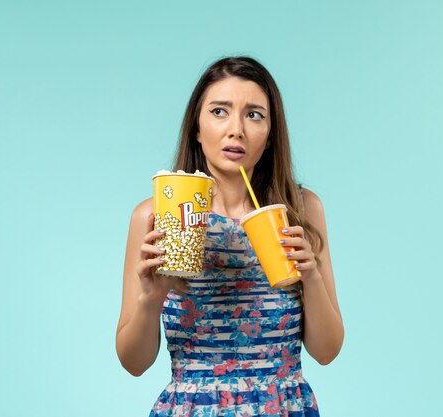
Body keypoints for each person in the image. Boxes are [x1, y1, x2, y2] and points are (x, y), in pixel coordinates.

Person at [116, 56, 344, 416]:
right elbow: (134, 363)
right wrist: (150, 299)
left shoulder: (300, 209)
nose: (236, 129)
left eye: (254, 114)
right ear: (196, 126)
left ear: (270, 135)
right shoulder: (154, 215)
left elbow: (327, 351)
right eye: (219, 111)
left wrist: (311, 276)